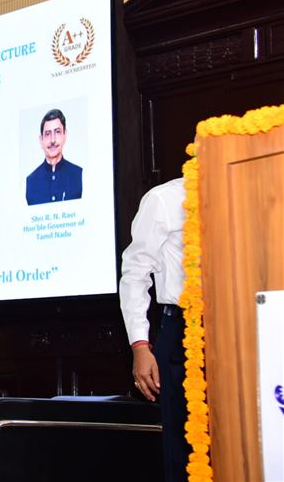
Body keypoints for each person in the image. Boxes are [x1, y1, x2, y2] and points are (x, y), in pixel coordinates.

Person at [119, 177, 190, 482]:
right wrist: (140, 345)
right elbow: (135, 274)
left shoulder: (246, 191)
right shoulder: (165, 198)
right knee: (185, 444)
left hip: (239, 327)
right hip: (182, 331)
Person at [25, 108, 83, 205]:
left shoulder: (79, 174)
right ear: (41, 140)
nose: (52, 140)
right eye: (47, 134)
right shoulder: (30, 181)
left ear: (65, 135)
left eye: (57, 132)